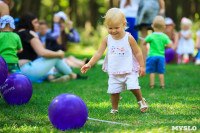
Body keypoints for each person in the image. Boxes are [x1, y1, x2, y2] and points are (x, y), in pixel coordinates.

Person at [81, 8, 148, 113]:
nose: (113, 31)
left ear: (124, 24)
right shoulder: (107, 39)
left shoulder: (128, 38)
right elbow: (99, 53)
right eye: (110, 28)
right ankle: (114, 109)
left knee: (133, 86)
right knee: (114, 91)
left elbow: (138, 52)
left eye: (116, 28)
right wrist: (89, 64)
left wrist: (142, 66)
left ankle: (140, 100)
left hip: (129, 68)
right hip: (114, 69)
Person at [16, 13, 86, 82]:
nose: (38, 25)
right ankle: (73, 76)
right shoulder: (29, 33)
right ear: (28, 23)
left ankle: (54, 77)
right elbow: (42, 52)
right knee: (55, 57)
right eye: (36, 22)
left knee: (53, 58)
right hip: (26, 71)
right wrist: (59, 54)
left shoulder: (16, 33)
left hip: (17, 71)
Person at [142, 16, 172, 89]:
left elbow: (143, 43)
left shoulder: (151, 36)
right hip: (161, 57)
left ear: (152, 26)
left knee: (152, 71)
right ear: (164, 27)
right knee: (160, 71)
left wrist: (147, 43)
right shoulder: (164, 36)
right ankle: (162, 85)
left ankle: (152, 85)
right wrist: (165, 46)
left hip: (152, 56)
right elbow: (170, 45)